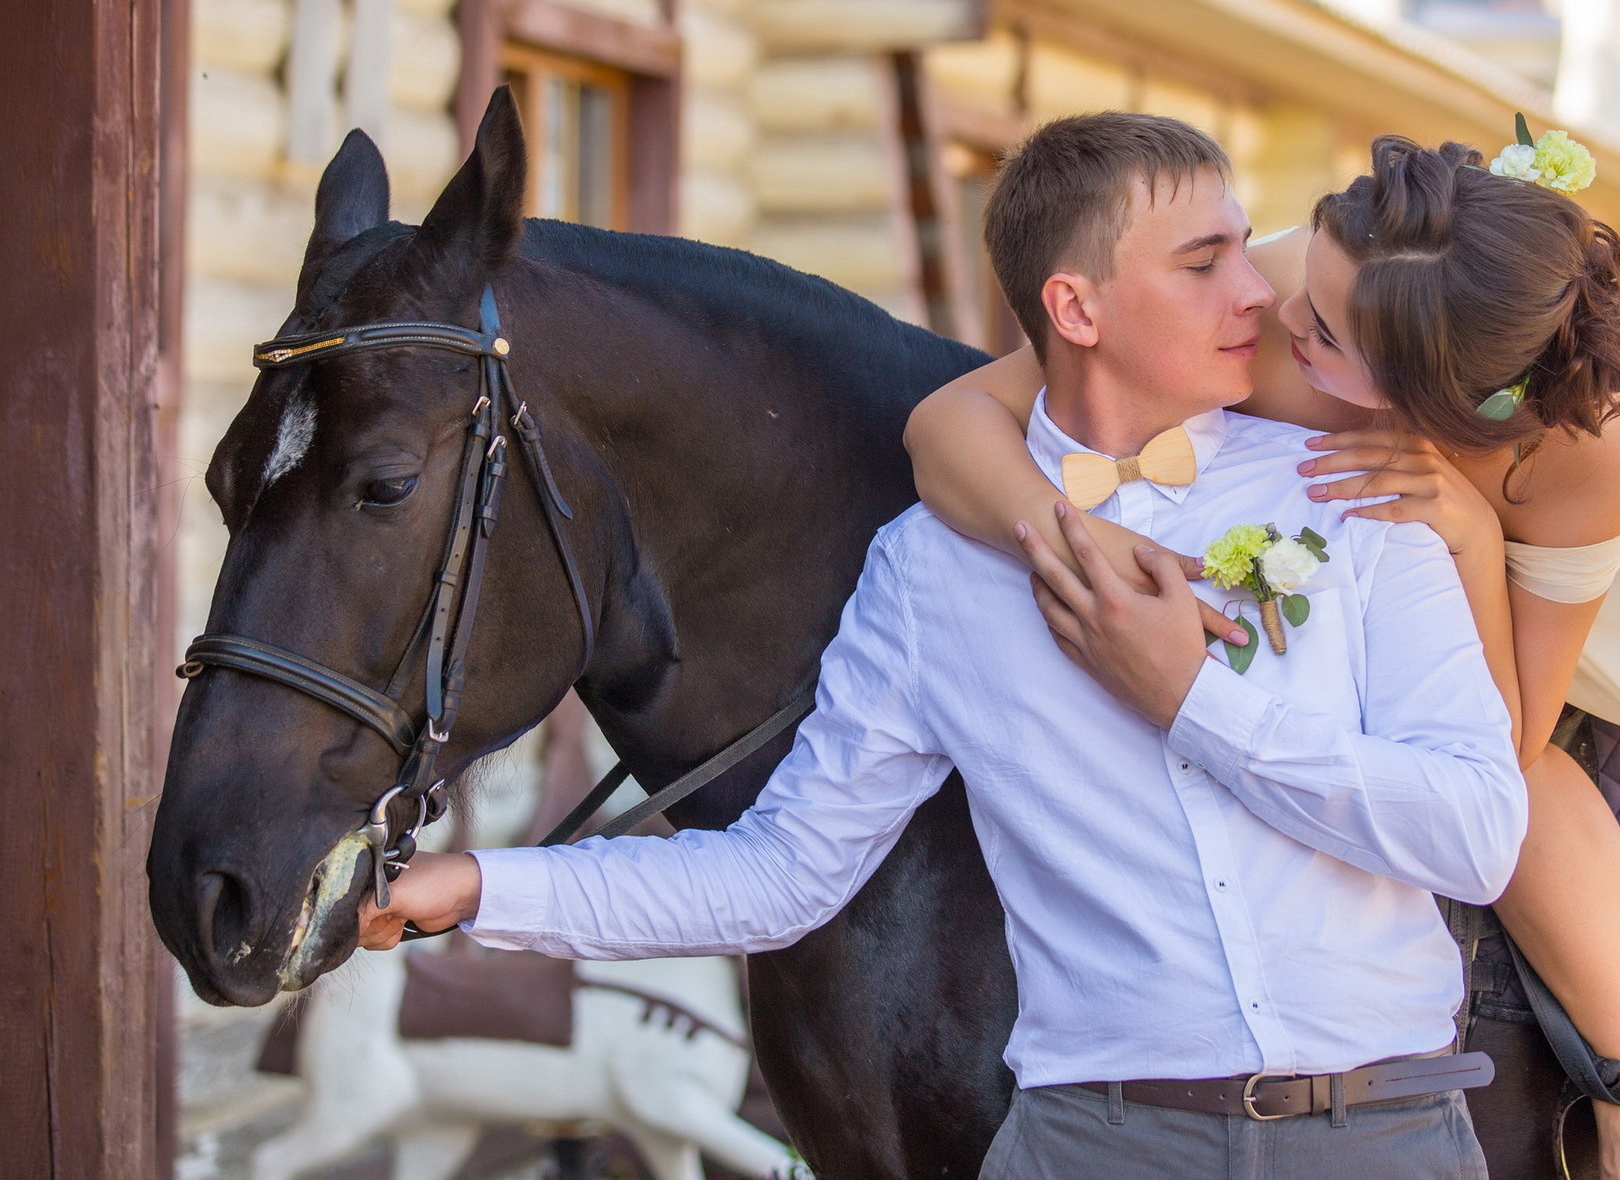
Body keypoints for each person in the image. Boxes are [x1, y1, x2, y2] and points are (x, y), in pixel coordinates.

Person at [358, 114, 1530, 1178]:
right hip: (1090, 1145)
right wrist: (476, 884)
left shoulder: (1355, 498)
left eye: (1242, 245)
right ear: (1075, 309)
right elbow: (784, 871)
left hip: (1385, 1134)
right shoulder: (929, 571)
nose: (1258, 295)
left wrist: (1190, 698)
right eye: (1203, 262)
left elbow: (1474, 834)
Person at [904, 131, 1620, 1180]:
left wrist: (1474, 539)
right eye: (1297, 279)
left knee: (1530, 771)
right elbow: (950, 418)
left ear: (1407, 392)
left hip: (1532, 561)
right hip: (1338, 530)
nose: (1267, 311)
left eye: (1315, 328)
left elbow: (1507, 733)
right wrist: (1074, 533)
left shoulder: (1575, 462)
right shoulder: (1284, 291)